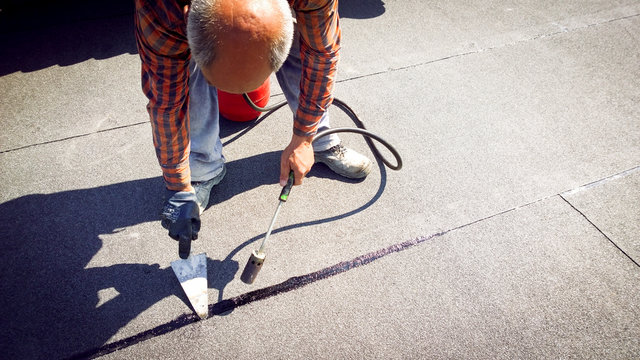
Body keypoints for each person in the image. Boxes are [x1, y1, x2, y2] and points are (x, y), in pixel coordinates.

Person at [134, 0, 372, 257]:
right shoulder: (162, 10)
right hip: (178, 27)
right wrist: (178, 187)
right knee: (183, 78)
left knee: (309, 43)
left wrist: (303, 136)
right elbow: (168, 104)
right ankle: (202, 170)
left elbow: (322, 54)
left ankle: (319, 140)